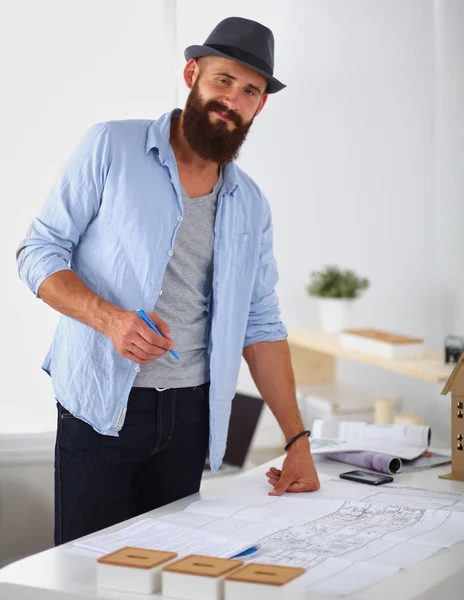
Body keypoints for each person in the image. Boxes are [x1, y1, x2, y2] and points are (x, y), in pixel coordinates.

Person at [16, 16, 320, 546]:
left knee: (168, 575)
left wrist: (297, 440)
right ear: (192, 74)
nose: (233, 99)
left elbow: (262, 324)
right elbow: (37, 251)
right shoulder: (111, 146)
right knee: (86, 577)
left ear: (260, 106)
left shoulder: (250, 205)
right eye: (223, 80)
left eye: (250, 90)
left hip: (189, 418)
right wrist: (108, 319)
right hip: (101, 406)